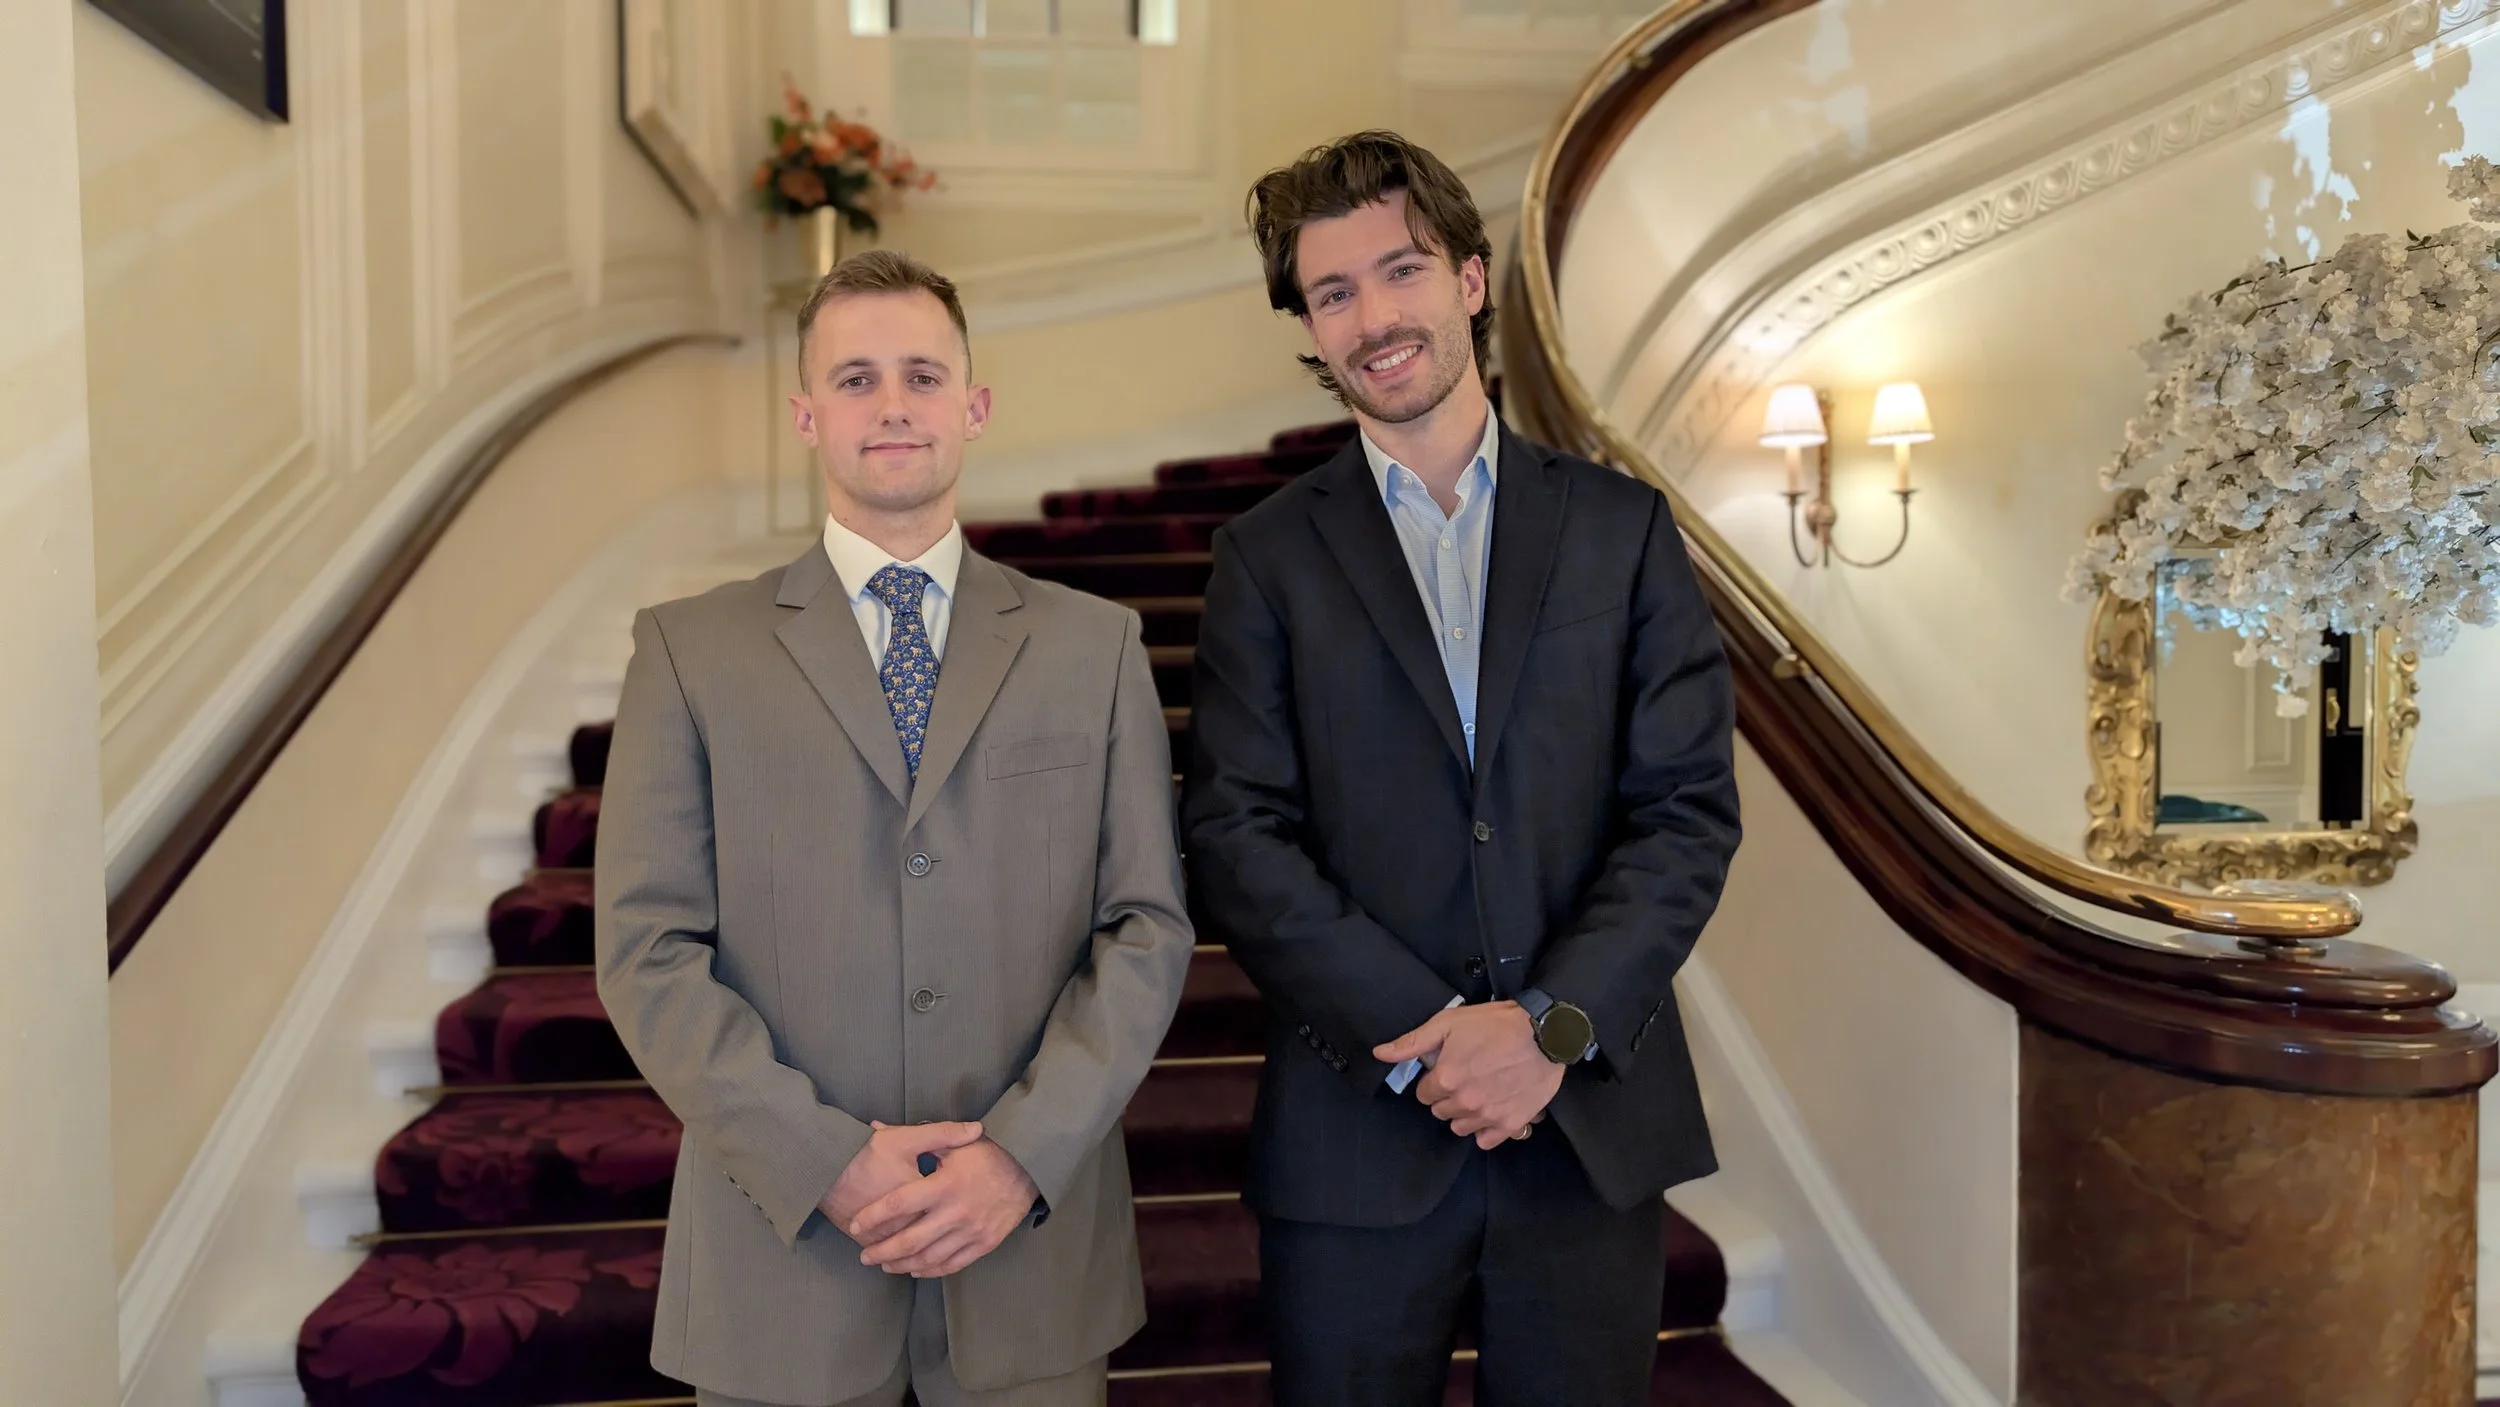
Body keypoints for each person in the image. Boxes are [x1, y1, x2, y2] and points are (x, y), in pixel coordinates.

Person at [1180, 130, 1744, 1405]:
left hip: (1587, 1124)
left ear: (1471, 280)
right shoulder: (1264, 559)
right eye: (1334, 293)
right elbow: (1235, 835)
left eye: (1401, 271)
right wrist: (1437, 1040)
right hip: (1357, 1144)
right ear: (1312, 330)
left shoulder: (1622, 530)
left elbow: (1686, 814)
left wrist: (1547, 1029)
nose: (1374, 317)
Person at [595, 249, 1193, 1407]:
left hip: (1026, 1257)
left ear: (972, 406)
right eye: (855, 378)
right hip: (784, 1270)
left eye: (922, 374)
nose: (892, 404)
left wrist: (1019, 1156)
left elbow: (1146, 928)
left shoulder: (1095, 646)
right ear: (806, 414)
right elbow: (646, 950)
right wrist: (821, 1160)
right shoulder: (688, 651)